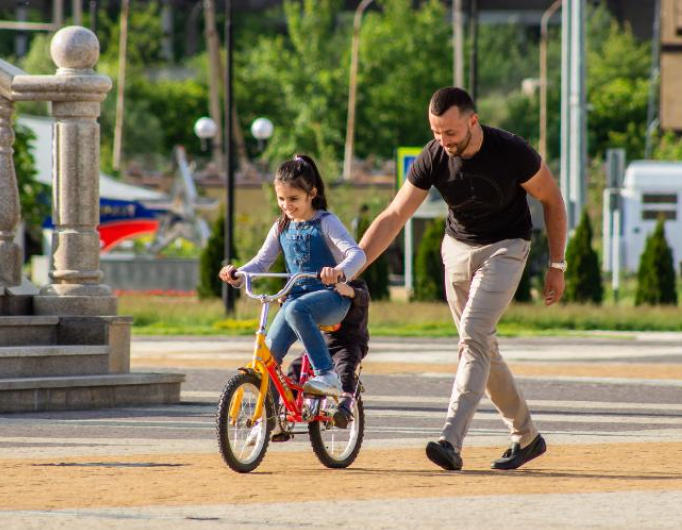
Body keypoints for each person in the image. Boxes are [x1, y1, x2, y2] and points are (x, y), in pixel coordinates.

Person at [358, 87, 568, 471]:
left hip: (507, 246)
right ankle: (527, 437)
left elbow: (553, 200)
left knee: (473, 334)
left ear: (473, 121)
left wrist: (557, 265)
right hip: (457, 248)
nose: (443, 141)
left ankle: (451, 441)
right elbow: (393, 216)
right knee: (481, 345)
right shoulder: (434, 156)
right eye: (436, 132)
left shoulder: (512, 152)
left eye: (450, 133)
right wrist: (352, 266)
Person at [220, 154, 365, 397]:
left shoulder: (327, 222)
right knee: (269, 356)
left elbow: (357, 254)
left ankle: (327, 374)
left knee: (295, 309)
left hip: (331, 298)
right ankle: (270, 420)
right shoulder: (281, 226)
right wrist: (238, 274)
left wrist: (339, 272)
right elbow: (262, 261)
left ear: (313, 193)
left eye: (294, 199)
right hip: (294, 301)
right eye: (281, 199)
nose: (287, 205)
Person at [286, 278, 370, 429]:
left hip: (349, 343)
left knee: (345, 368)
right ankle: (287, 407)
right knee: (296, 367)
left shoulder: (356, 283)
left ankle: (345, 406)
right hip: (323, 342)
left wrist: (350, 291)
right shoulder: (322, 284)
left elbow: (364, 297)